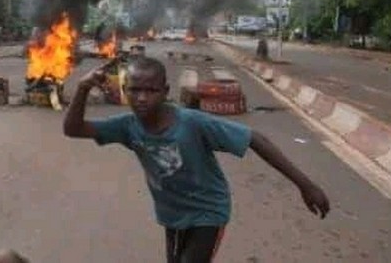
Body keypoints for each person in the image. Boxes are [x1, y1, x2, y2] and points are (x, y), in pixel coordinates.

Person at [63, 56, 330, 262]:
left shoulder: (192, 123)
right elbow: (73, 129)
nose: (142, 98)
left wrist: (305, 185)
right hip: (172, 214)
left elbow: (255, 139)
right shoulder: (127, 126)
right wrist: (83, 88)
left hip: (208, 211)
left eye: (151, 90)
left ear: (165, 91)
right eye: (134, 90)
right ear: (124, 89)